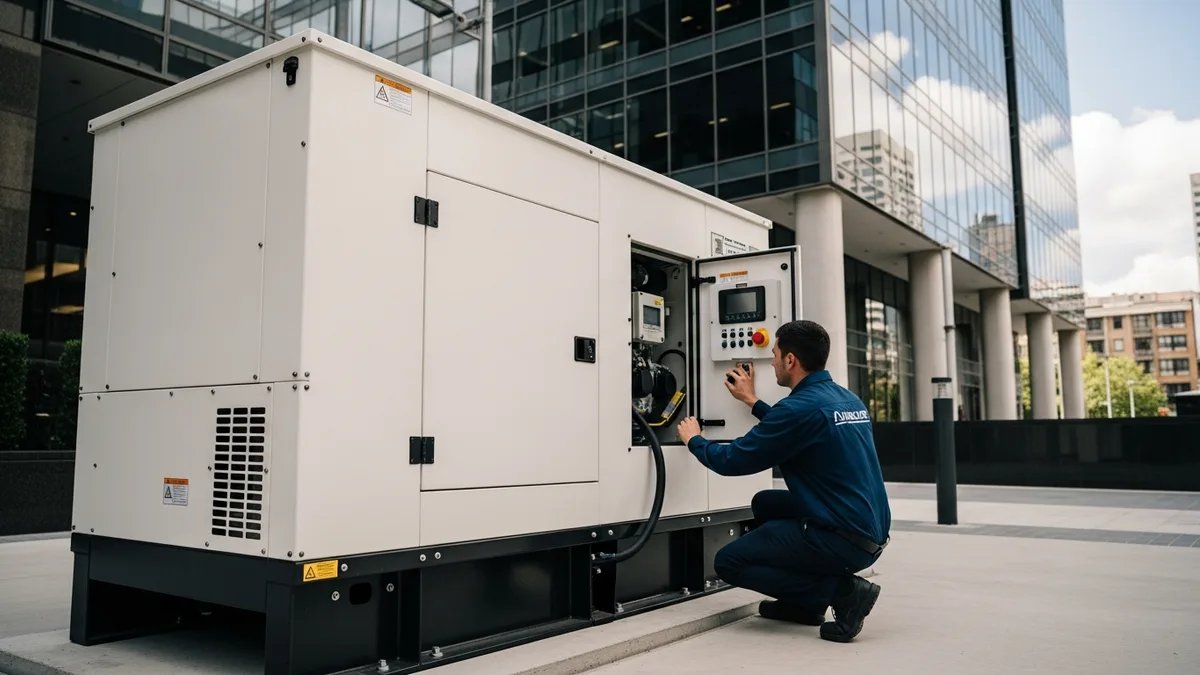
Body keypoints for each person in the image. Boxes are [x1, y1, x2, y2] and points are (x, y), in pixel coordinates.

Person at [675, 319, 890, 643]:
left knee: (729, 562)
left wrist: (695, 440)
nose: (772, 361)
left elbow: (733, 460)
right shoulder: (845, 399)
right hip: (869, 532)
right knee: (766, 503)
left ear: (791, 360)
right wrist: (752, 401)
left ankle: (842, 592)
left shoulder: (797, 409)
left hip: (843, 538)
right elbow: (796, 425)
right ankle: (804, 606)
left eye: (775, 353)